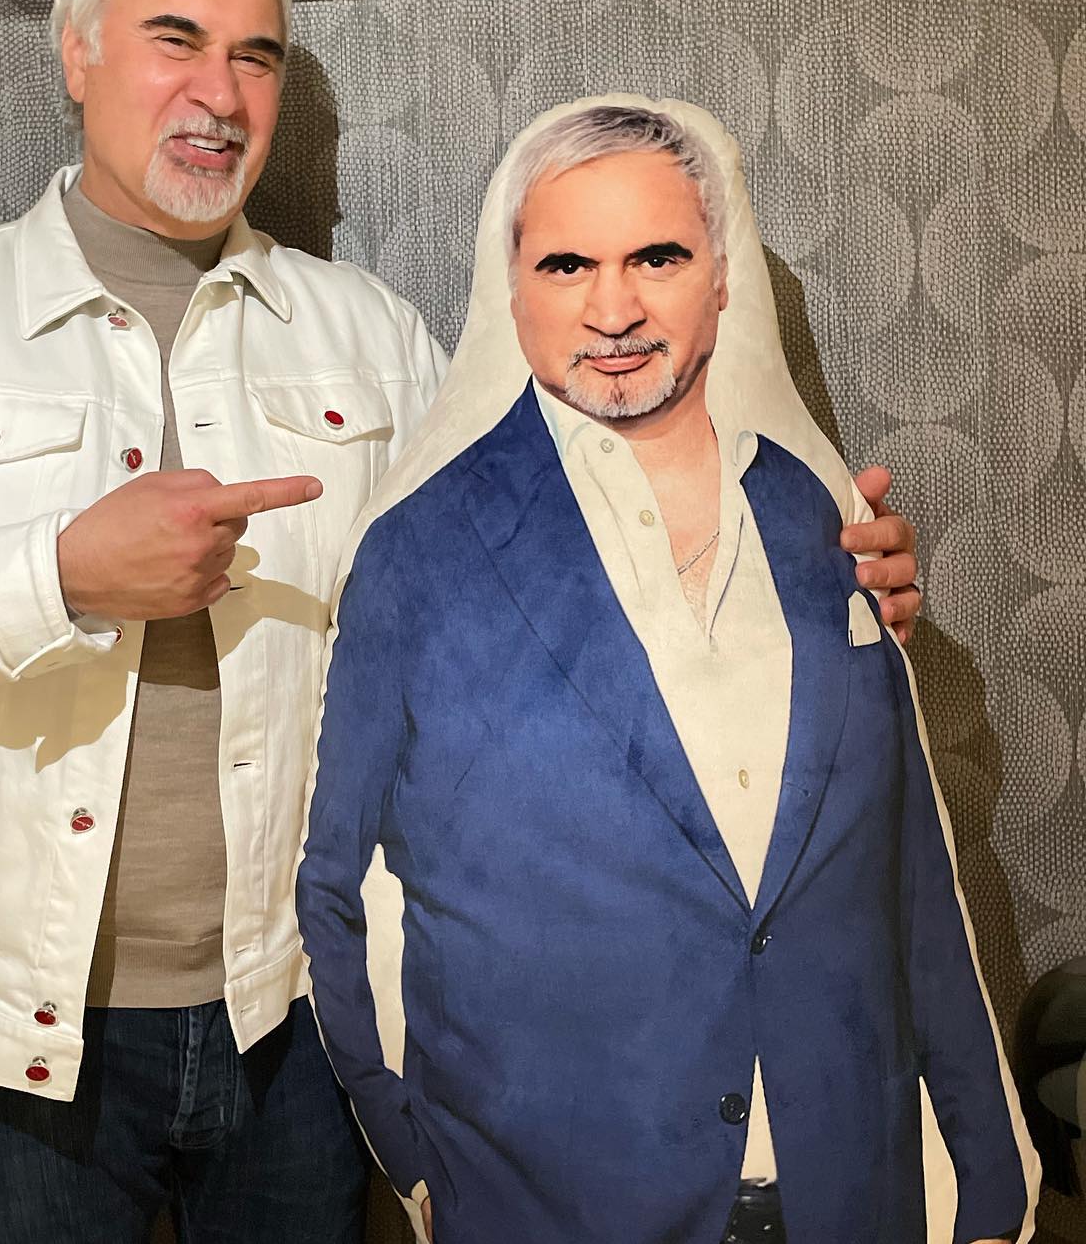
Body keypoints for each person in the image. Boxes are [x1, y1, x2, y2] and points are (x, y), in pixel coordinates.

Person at [0, 0, 921, 1244]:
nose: (220, 93)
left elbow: (567, 567)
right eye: (177, 39)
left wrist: (806, 583)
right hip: (11, 1038)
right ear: (78, 52)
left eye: (258, 56)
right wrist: (60, 572)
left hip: (289, 1020)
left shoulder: (372, 338)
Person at [296, 101, 1037, 1244]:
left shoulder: (822, 518)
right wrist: (414, 1154)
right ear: (512, 290)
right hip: (551, 1201)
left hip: (849, 1187)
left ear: (722, 277)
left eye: (657, 257)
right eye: (568, 264)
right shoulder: (416, 552)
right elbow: (334, 885)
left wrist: (987, 1185)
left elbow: (909, 875)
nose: (614, 309)